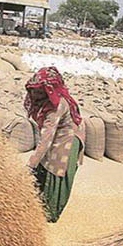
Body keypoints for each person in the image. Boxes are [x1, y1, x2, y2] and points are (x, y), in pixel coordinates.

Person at [25, 67, 85, 223]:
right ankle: (36, 202)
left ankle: (50, 212)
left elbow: (46, 139)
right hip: (56, 134)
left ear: (48, 91)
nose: (35, 95)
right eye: (34, 91)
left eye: (39, 92)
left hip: (68, 139)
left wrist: (31, 163)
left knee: (56, 168)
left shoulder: (57, 106)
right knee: (43, 164)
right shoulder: (43, 103)